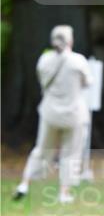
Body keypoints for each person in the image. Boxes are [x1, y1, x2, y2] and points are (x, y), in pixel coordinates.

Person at [13, 25, 91, 204]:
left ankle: (25, 183)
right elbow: (87, 82)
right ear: (70, 40)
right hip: (74, 114)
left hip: (50, 113)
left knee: (41, 150)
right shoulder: (78, 61)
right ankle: (64, 192)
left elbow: (41, 80)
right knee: (71, 153)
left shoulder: (44, 59)